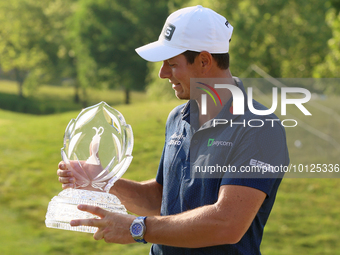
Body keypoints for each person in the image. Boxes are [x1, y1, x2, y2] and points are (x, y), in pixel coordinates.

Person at [57, 5, 289, 254]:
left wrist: (138, 228)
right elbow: (162, 201)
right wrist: (103, 180)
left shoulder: (260, 129)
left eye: (172, 64)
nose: (162, 73)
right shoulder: (178, 118)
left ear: (203, 61)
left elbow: (227, 223)